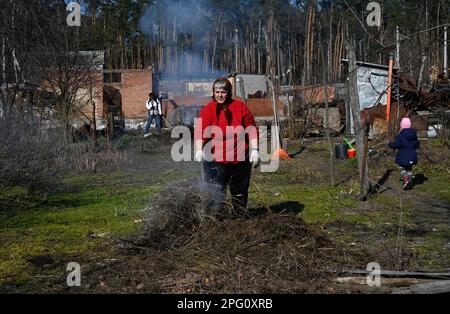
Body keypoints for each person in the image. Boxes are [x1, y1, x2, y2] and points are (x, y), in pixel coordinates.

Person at [194, 77, 260, 215]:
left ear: (228, 92)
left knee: (240, 190)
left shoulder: (239, 106)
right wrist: (199, 149)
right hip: (218, 159)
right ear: (213, 92)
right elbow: (201, 132)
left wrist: (255, 149)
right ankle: (218, 217)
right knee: (217, 191)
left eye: (223, 92)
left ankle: (239, 216)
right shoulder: (208, 110)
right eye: (217, 92)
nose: (220, 95)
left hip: (240, 157)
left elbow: (251, 127)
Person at [388, 117, 420, 190]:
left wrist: (389, 144)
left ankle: (406, 179)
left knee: (402, 168)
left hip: (403, 156)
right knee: (409, 168)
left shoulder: (400, 136)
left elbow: (396, 145)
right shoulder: (414, 136)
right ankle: (410, 181)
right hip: (412, 156)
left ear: (402, 125)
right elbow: (417, 144)